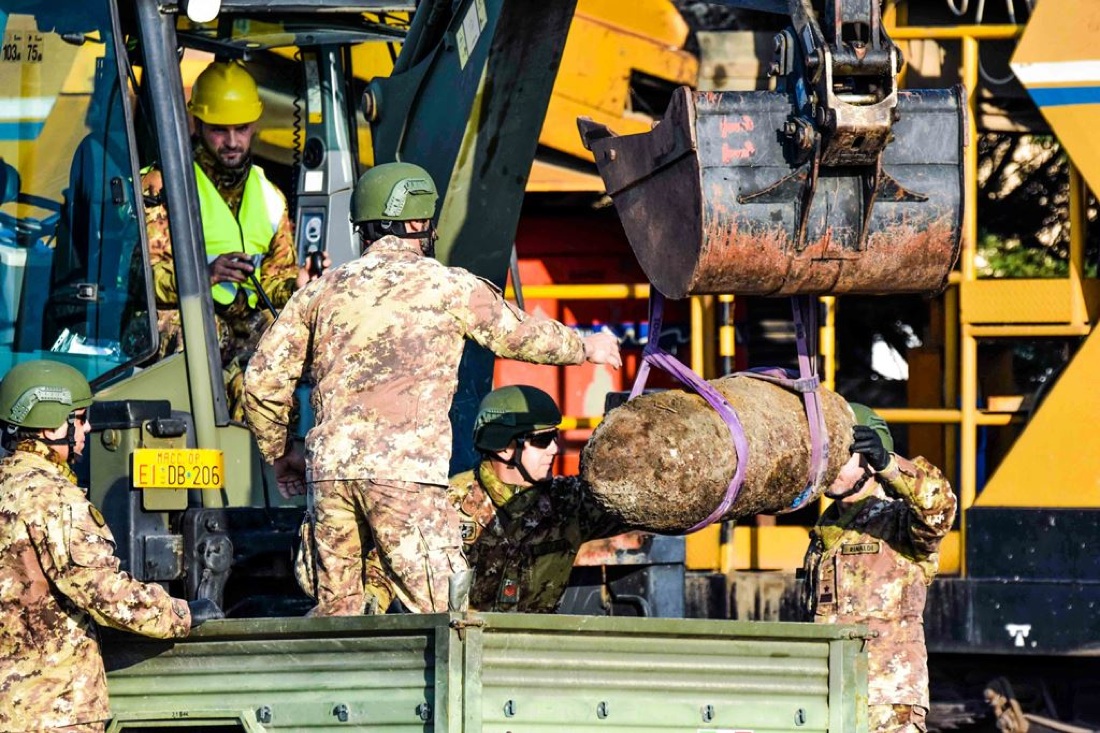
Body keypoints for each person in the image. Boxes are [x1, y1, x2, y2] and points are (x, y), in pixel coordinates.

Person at [243, 161, 622, 616]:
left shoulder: (319, 292)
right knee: (448, 612)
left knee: (339, 613)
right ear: (420, 221)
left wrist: (282, 452)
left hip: (330, 479)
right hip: (405, 477)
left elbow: (262, 381)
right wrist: (587, 346)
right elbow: (518, 335)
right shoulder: (447, 287)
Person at [0, 360, 222, 732]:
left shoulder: (8, 488)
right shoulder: (52, 497)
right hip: (54, 710)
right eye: (80, 418)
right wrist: (182, 613)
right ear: (49, 425)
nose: (87, 428)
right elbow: (103, 592)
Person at [297, 385, 632, 614]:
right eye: (543, 440)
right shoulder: (442, 507)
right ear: (504, 447)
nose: (556, 448)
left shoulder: (568, 505)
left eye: (555, 437)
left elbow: (643, 507)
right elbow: (384, 570)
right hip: (461, 657)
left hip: (533, 661)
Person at [141, 60, 323, 420]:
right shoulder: (163, 187)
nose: (232, 142)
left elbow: (272, 278)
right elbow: (140, 279)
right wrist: (203, 275)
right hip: (182, 327)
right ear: (197, 124)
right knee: (200, 330)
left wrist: (298, 285)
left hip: (244, 331)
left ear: (255, 124)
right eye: (219, 130)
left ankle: (278, 457)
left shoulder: (269, 195)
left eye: (241, 129)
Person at [802, 404, 957, 733]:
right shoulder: (824, 532)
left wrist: (890, 465)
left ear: (870, 461)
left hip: (885, 703)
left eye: (840, 455)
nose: (828, 466)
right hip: (829, 695)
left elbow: (939, 506)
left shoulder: (898, 520)